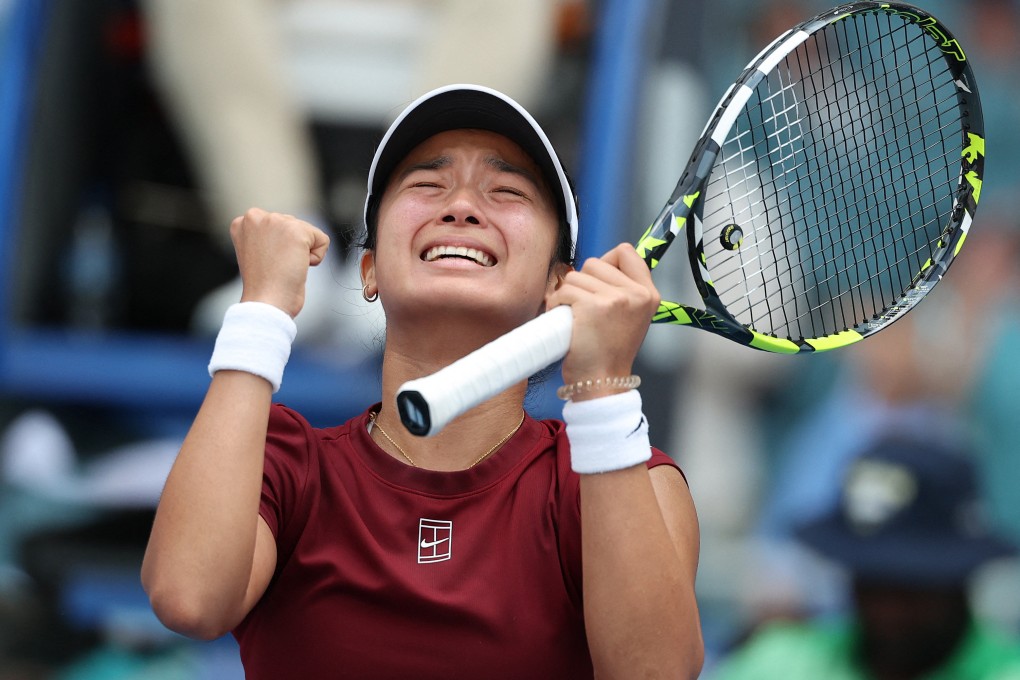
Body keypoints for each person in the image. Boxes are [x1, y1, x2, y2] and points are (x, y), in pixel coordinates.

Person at [140, 84, 704, 678]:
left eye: (506, 191)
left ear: (556, 287)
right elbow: (188, 598)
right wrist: (261, 312)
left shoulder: (621, 477)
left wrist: (603, 387)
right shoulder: (285, 462)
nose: (461, 206)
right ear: (371, 270)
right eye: (427, 185)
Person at [710, 435, 1020, 680]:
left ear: (959, 577)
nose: (888, 610)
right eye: (871, 581)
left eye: (911, 587)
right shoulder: (782, 664)